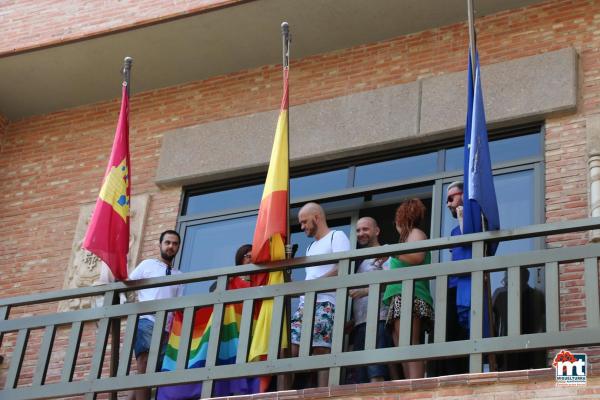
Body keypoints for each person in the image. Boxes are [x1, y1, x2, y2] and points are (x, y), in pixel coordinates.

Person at [291, 202, 350, 387]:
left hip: (326, 302)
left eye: (304, 222)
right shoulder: (310, 247)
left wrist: (317, 284)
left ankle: (323, 392)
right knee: (292, 348)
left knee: (321, 349)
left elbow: (344, 267)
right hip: (304, 303)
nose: (302, 227)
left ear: (317, 217)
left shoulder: (336, 236)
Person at [128, 230, 183, 400]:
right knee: (144, 363)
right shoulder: (147, 265)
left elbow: (178, 305)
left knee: (156, 370)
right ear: (160, 244)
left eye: (174, 244)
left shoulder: (179, 276)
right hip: (148, 319)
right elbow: (128, 284)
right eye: (167, 242)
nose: (170, 246)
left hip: (167, 327)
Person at [382, 199, 434, 379]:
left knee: (408, 342)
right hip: (401, 294)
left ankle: (416, 383)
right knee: (401, 344)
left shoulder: (416, 233)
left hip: (410, 294)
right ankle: (410, 383)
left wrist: (392, 251)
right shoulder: (406, 239)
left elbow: (417, 257)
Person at [347, 217, 395, 383]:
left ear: (377, 231)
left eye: (365, 229)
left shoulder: (385, 251)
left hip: (379, 319)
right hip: (361, 323)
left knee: (376, 370)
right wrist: (353, 320)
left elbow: (392, 283)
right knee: (361, 374)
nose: (361, 233)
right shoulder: (360, 260)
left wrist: (364, 291)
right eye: (358, 230)